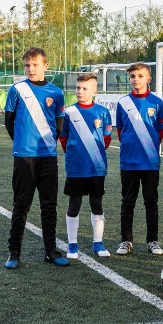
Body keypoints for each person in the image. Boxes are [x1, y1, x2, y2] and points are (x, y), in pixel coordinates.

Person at [3, 47, 69, 269]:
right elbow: (9, 122)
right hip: (24, 158)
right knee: (21, 205)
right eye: (27, 65)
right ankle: (14, 252)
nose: (31, 69)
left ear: (45, 65)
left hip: (48, 157)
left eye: (35, 65)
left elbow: (59, 123)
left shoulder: (56, 93)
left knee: (49, 206)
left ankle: (50, 251)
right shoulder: (17, 90)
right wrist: (22, 142)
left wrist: (47, 143)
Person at [59, 72, 113, 259]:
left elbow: (106, 139)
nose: (80, 91)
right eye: (78, 88)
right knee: (74, 205)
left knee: (96, 205)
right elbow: (63, 137)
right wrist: (75, 154)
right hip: (75, 168)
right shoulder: (69, 112)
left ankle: (98, 243)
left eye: (84, 88)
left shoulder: (103, 112)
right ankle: (72, 245)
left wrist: (93, 154)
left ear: (94, 91)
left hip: (97, 167)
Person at [115, 62, 163, 256]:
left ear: (148, 78)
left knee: (151, 202)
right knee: (127, 201)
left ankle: (152, 240)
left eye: (140, 76)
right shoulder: (122, 103)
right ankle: (126, 241)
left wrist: (148, 148)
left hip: (150, 161)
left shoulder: (157, 103)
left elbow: (160, 131)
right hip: (129, 162)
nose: (136, 79)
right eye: (132, 76)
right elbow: (121, 131)